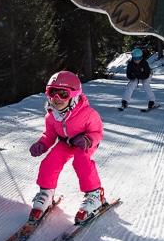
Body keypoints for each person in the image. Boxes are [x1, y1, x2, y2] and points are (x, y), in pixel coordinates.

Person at [29, 70, 107, 224]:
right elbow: (49, 135)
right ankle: (46, 193)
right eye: (53, 93)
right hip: (65, 143)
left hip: (84, 143)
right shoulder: (52, 116)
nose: (57, 99)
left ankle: (95, 195)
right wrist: (42, 144)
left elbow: (98, 132)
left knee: (81, 160)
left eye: (63, 94)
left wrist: (87, 139)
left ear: (74, 95)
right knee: (50, 161)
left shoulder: (88, 114)